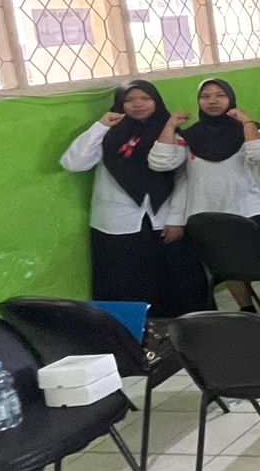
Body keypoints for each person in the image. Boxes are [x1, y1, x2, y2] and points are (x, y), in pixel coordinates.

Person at [60, 80, 209, 318]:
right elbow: (73, 163)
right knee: (124, 290)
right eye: (129, 100)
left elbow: (182, 178)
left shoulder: (172, 132)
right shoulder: (109, 134)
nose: (138, 104)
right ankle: (129, 335)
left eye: (145, 98)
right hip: (117, 226)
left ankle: (179, 333)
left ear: (156, 101)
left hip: (164, 223)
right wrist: (99, 127)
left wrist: (176, 219)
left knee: (177, 289)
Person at [150, 77, 260, 311]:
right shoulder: (189, 136)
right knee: (226, 265)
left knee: (259, 263)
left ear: (231, 99)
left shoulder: (250, 130)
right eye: (205, 96)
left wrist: (247, 122)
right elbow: (161, 163)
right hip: (206, 215)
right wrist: (169, 127)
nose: (213, 101)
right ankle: (247, 309)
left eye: (220, 95)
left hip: (248, 209)